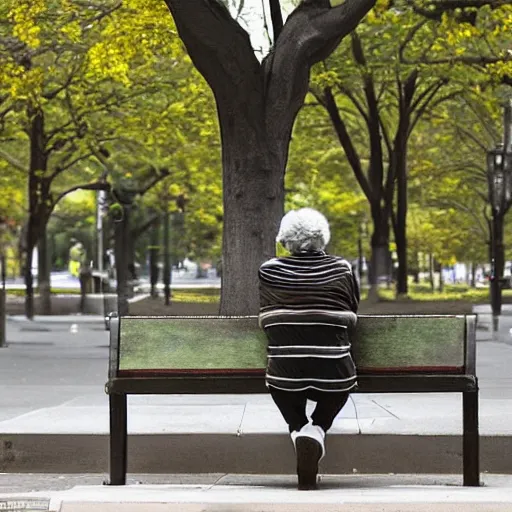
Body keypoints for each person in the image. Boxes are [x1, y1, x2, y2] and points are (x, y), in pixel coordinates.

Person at [258, 208, 360, 490]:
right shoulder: (342, 269)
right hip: (334, 373)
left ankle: (300, 428)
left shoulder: (269, 270)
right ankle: (316, 429)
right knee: (340, 383)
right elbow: (352, 309)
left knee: (282, 381)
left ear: (285, 239)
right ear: (322, 237)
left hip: (285, 374)